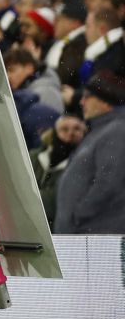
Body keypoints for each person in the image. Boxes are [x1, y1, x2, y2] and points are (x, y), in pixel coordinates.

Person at [54, 70, 125, 234]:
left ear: (106, 102)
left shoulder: (117, 131)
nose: (82, 102)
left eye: (88, 97)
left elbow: (109, 183)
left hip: (93, 239)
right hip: (84, 235)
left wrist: (79, 215)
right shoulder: (102, 131)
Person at [29, 114, 87, 228]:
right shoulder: (34, 157)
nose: (71, 133)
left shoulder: (84, 164)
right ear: (54, 133)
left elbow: (58, 201)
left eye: (77, 129)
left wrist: (31, 200)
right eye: (65, 129)